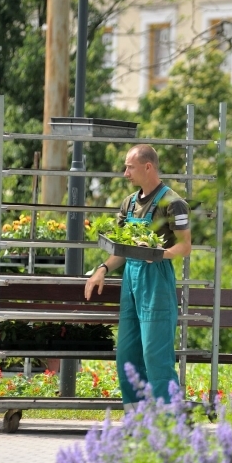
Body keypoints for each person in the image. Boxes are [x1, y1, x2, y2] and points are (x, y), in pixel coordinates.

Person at [85, 144, 191, 409]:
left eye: (130, 167)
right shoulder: (129, 204)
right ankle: (137, 416)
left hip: (156, 279)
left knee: (155, 355)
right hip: (131, 280)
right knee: (128, 355)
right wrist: (103, 269)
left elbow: (185, 246)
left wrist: (156, 253)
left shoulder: (173, 202)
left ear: (148, 167)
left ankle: (169, 419)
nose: (125, 173)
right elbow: (121, 250)